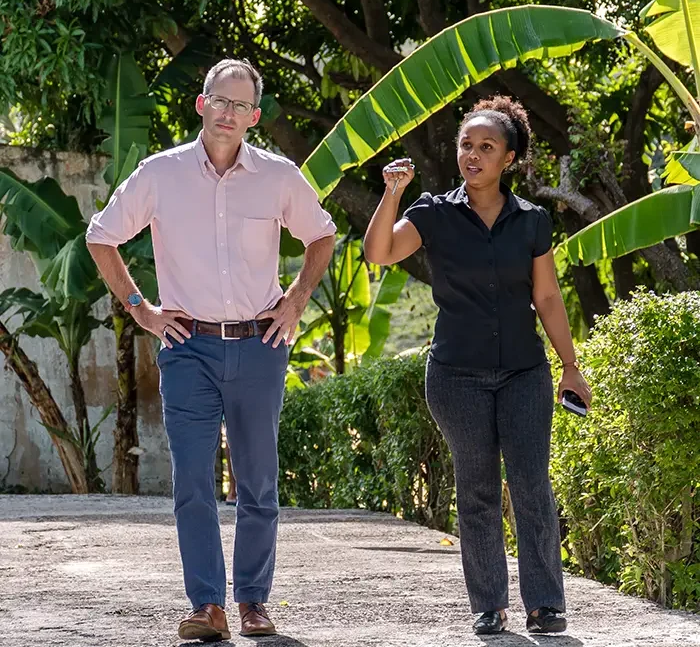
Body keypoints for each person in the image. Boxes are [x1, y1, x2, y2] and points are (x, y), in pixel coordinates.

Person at [86, 59, 336, 641]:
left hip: (259, 345)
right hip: (187, 348)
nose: (228, 113)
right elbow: (101, 237)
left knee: (258, 481)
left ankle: (252, 602)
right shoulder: (160, 174)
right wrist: (139, 308)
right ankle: (207, 607)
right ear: (201, 105)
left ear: (254, 116)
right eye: (219, 101)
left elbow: (321, 234)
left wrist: (296, 300)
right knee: (193, 482)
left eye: (240, 105)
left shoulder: (277, 177)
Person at [363, 96, 591, 635]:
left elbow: (549, 299)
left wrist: (571, 366)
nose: (473, 155)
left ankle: (545, 604)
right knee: (478, 487)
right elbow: (380, 253)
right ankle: (489, 604)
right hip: (456, 375)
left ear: (509, 158)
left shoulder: (532, 222)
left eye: (487, 147)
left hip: (523, 372)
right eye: (467, 144)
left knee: (533, 484)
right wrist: (392, 194)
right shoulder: (432, 212)